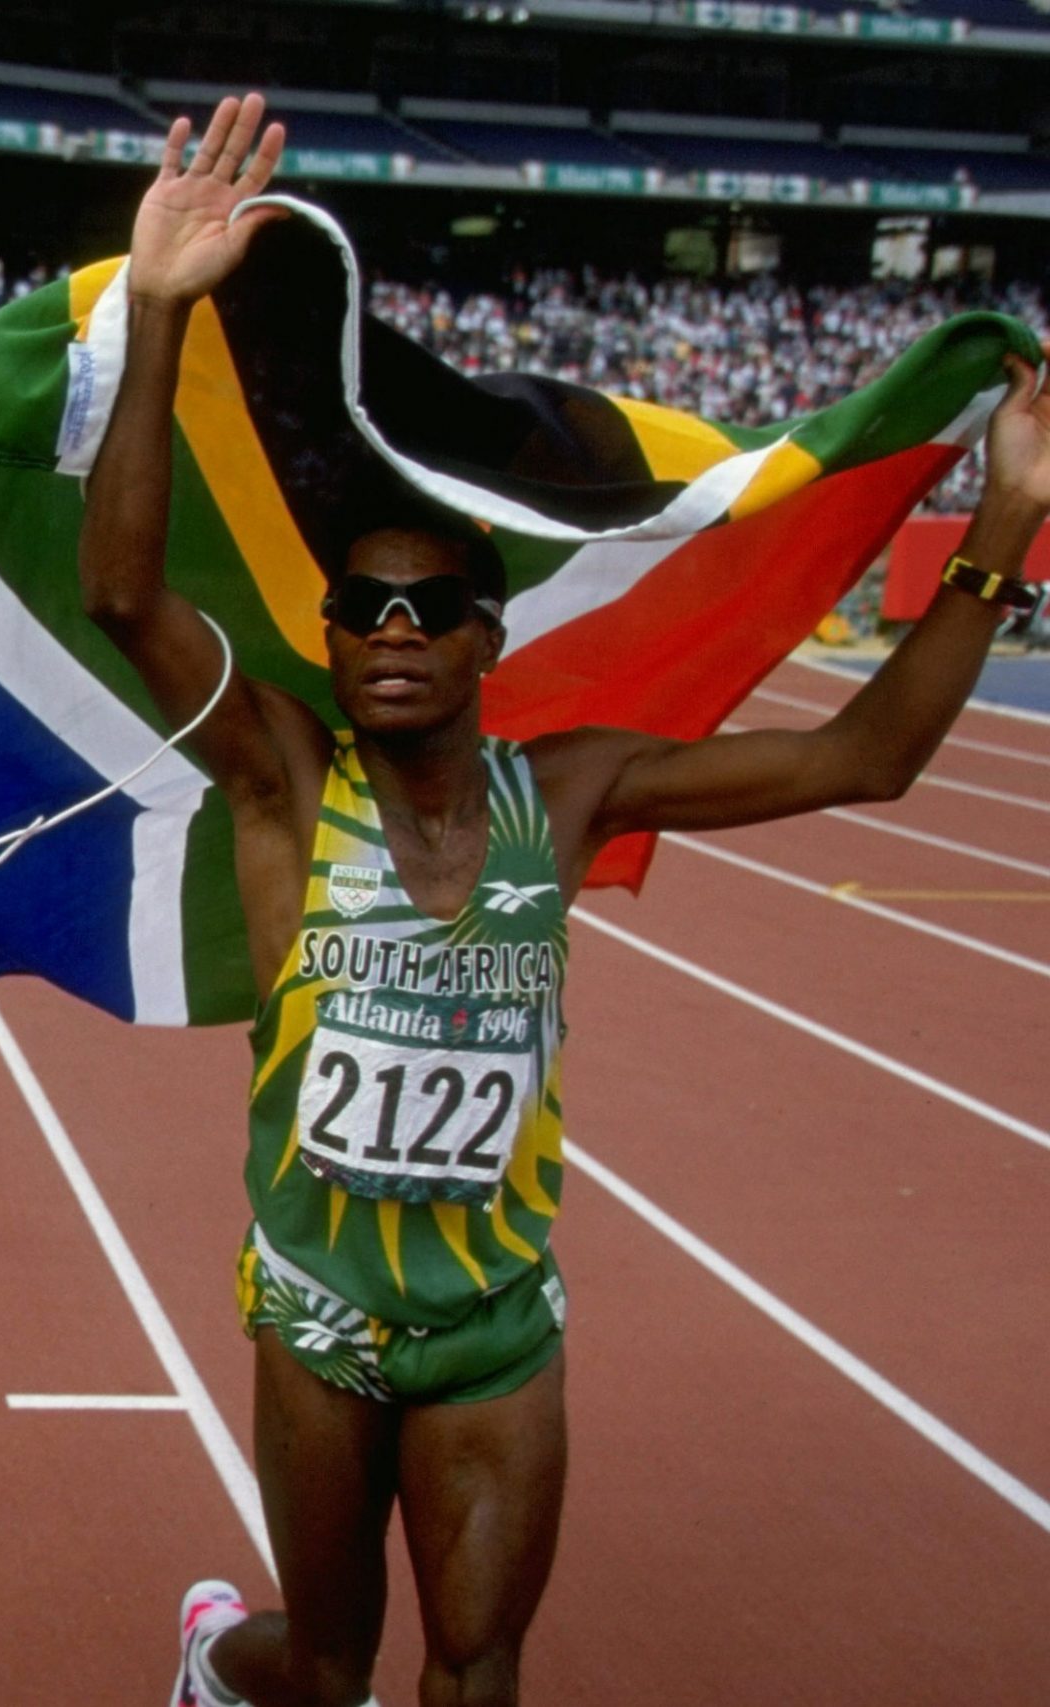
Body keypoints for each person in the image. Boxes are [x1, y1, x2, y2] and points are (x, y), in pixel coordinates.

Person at [82, 97, 1050, 1707]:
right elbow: (124, 590)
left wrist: (1007, 522)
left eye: (431, 605)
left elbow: (865, 757)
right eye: (361, 607)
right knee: (326, 1669)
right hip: (319, 1315)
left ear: (485, 643)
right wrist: (160, 303)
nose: (391, 628)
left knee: (477, 1668)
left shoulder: (572, 784)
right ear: (332, 640)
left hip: (495, 1323)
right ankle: (216, 1662)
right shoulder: (283, 776)